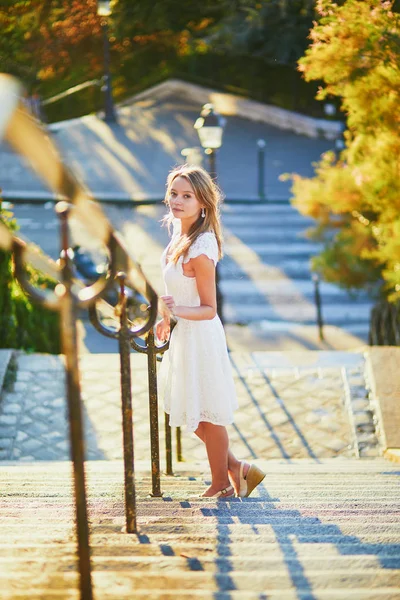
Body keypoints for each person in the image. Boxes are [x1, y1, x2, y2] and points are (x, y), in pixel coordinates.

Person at [156, 164, 266, 498]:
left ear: (202, 202)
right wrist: (165, 316)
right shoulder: (179, 234)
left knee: (207, 415)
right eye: (174, 193)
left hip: (201, 337)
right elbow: (177, 290)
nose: (177, 200)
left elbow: (208, 308)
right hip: (184, 335)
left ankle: (222, 484)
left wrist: (176, 312)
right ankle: (239, 470)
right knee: (194, 412)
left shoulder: (201, 247)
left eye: (187, 196)